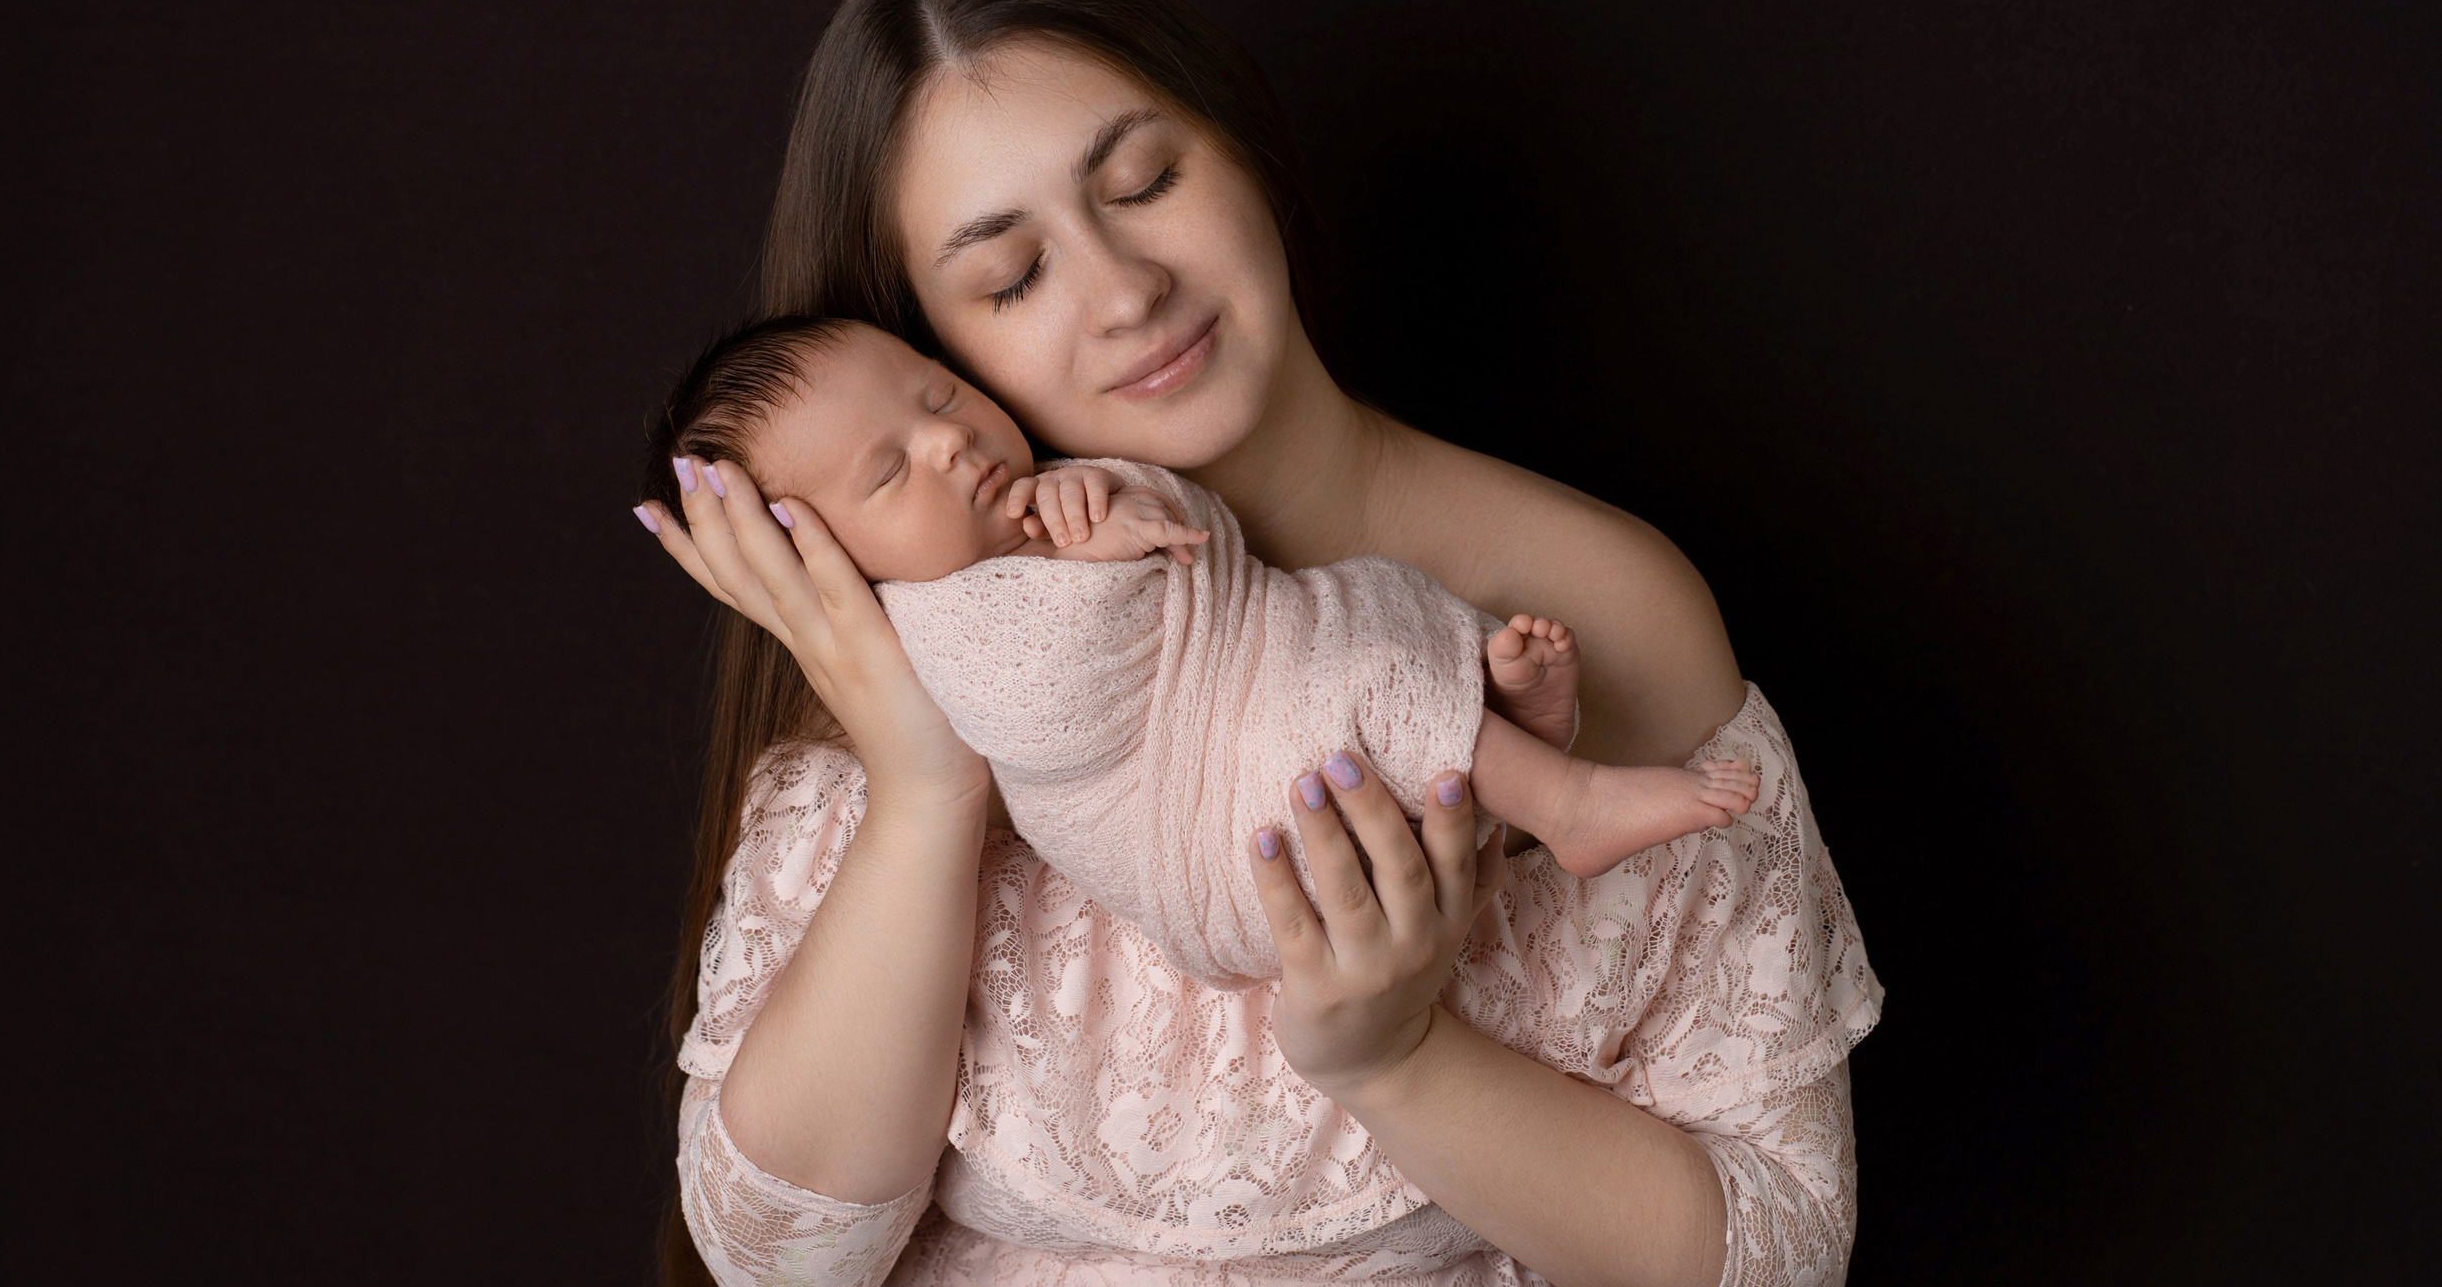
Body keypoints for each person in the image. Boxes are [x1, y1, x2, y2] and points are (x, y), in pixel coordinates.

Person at [630, 0, 1882, 1287]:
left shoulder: (1599, 603)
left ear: (1236, 141)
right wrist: (925, 785)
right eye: (1011, 275)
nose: (1125, 289)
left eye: (1145, 179)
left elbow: (1781, 1268)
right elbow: (788, 1275)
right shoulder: (903, 655)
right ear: (917, 346)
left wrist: (1400, 1057)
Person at [638, 312, 1761, 991]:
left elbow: (1197, 537)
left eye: (938, 393)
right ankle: (1564, 802)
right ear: (825, 563)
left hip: (1257, 707)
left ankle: (1509, 737)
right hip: (1213, 837)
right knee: (1353, 678)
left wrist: (1109, 500)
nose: (945, 440)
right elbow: (1053, 706)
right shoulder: (934, 629)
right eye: (887, 472)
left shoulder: (1042, 497)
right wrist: (1092, 560)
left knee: (1375, 602)